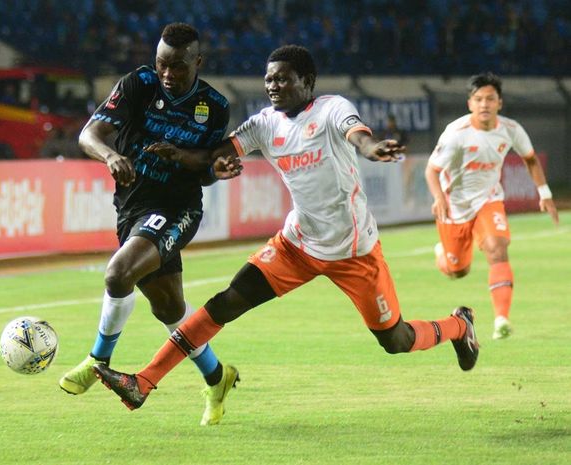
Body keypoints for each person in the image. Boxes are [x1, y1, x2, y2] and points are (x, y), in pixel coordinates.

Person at [90, 45, 480, 417]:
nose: (272, 86)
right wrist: (184, 156)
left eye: (282, 79)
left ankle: (459, 325)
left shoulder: (331, 110)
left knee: (396, 341)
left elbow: (357, 134)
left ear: (307, 81)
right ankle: (143, 381)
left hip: (354, 251)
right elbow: (216, 154)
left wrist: (372, 148)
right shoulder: (264, 124)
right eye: (269, 80)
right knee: (226, 302)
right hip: (297, 245)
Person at [59, 22, 242, 426]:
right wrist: (109, 156)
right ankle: (218, 378)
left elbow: (207, 169)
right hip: (132, 207)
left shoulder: (213, 105)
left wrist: (212, 166)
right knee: (169, 307)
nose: (168, 75)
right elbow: (91, 134)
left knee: (118, 273)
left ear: (198, 62)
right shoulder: (139, 84)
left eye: (178, 67)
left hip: (177, 208)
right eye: (162, 64)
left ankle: (97, 359)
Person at [424, 72, 559, 340]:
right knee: (457, 271)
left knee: (498, 249)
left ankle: (501, 320)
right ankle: (443, 253)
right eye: (478, 99)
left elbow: (530, 159)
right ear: (469, 103)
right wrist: (439, 197)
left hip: (489, 199)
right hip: (455, 206)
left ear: (500, 103)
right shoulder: (456, 134)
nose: (484, 104)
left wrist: (544, 193)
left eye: (490, 99)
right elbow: (431, 170)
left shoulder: (511, 130)